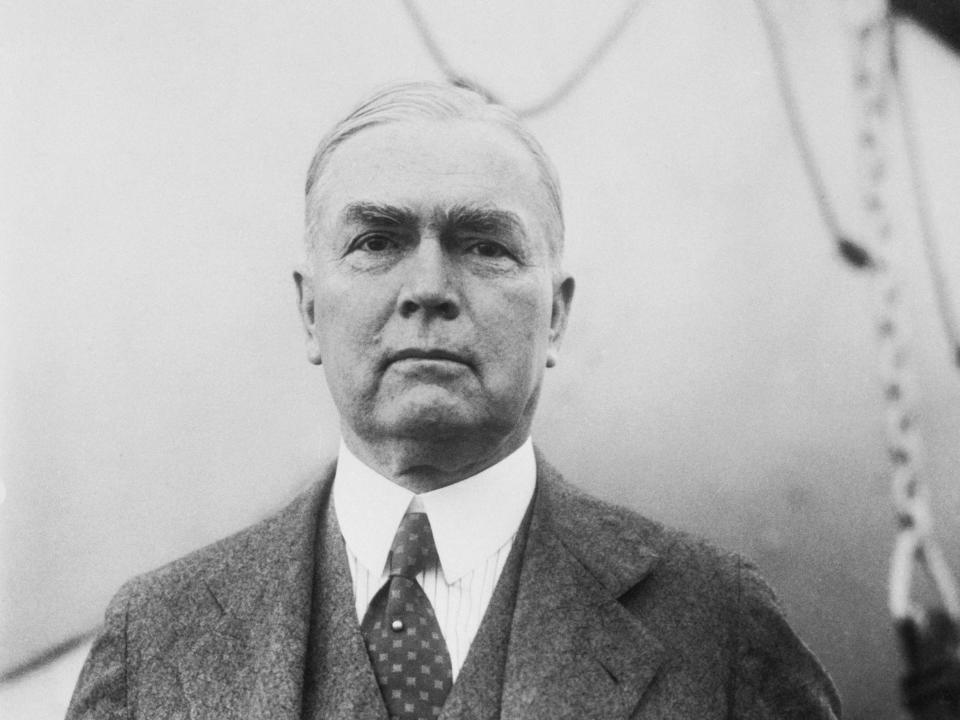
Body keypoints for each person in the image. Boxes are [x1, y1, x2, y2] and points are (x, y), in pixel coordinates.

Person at [66, 81, 841, 719]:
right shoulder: (159, 640)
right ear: (309, 310)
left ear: (557, 316)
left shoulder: (715, 625)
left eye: (485, 247)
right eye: (376, 242)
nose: (429, 291)